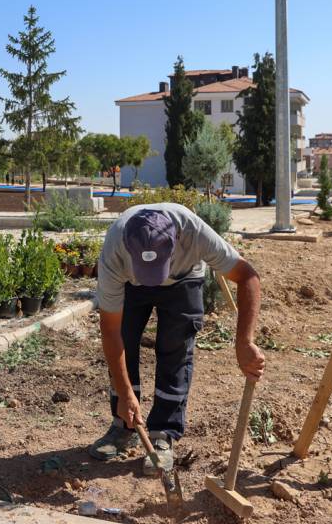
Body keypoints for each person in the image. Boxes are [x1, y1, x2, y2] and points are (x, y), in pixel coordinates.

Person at [88, 202, 264, 474]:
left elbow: (247, 276)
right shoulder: (115, 248)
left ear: (176, 243)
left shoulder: (194, 233)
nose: (154, 282)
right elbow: (111, 332)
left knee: (175, 349)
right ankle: (123, 425)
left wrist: (244, 342)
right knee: (126, 339)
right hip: (130, 285)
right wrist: (124, 393)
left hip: (183, 280)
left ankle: (162, 435)